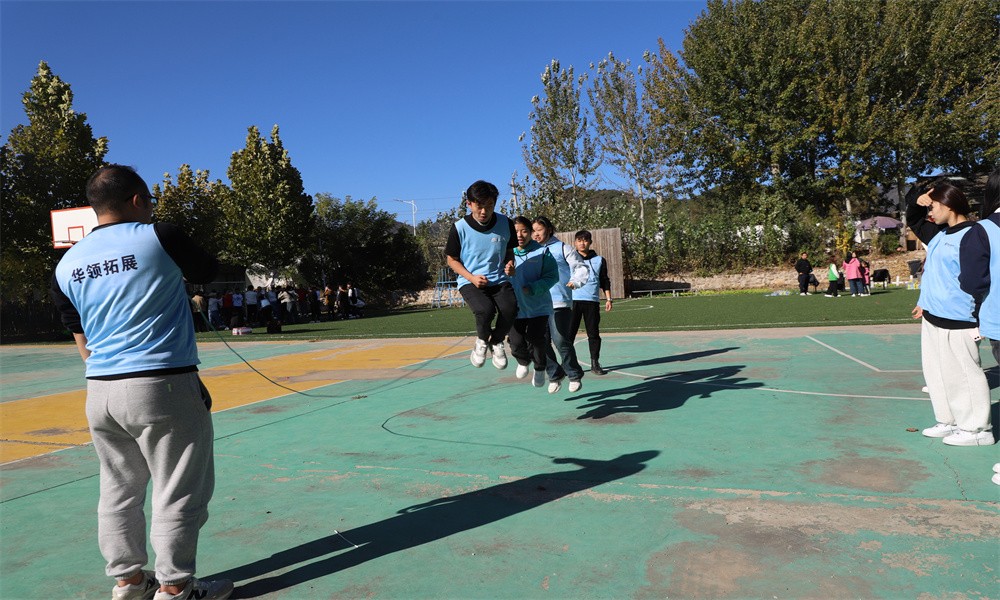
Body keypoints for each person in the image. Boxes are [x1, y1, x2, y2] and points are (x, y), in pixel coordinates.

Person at [49, 165, 233, 600]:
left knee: (118, 488)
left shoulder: (66, 263)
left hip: (100, 388)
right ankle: (175, 586)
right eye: (150, 201)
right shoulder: (159, 236)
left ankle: (129, 581)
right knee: (179, 488)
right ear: (137, 200)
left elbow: (77, 329)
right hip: (160, 382)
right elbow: (207, 269)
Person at [907, 180, 993, 447]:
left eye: (933, 206)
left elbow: (977, 280)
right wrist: (917, 199)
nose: (930, 212)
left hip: (959, 318)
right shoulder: (939, 234)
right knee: (937, 374)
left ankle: (978, 429)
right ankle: (949, 420)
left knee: (965, 374)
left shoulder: (974, 233)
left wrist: (976, 313)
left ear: (948, 204)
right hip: (933, 316)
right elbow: (913, 219)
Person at [444, 180, 517, 369]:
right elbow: (451, 260)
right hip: (470, 280)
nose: (484, 211)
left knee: (510, 309)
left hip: (499, 279)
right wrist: (471, 278)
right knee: (485, 310)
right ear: (469, 204)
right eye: (479, 206)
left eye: (489, 206)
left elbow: (509, 252)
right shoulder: (459, 228)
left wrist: (510, 264)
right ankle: (482, 341)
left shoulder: (506, 223)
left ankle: (496, 341)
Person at [531, 216, 589, 393]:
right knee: (539, 342)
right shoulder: (530, 250)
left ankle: (574, 373)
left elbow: (580, 267)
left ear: (549, 229)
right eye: (533, 231)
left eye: (539, 230)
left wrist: (576, 281)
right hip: (537, 304)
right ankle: (554, 374)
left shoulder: (563, 248)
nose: (535, 234)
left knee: (560, 339)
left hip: (559, 302)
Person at [508, 216, 559, 388]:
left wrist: (533, 288)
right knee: (515, 343)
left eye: (524, 231)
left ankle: (539, 368)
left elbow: (552, 276)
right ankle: (523, 361)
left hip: (539, 307)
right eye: (516, 231)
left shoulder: (542, 252)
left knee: (536, 339)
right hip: (515, 308)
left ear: (530, 232)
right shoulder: (506, 253)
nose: (520, 235)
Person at [570, 230, 613, 376]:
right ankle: (569, 364)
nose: (582, 243)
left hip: (591, 301)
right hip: (573, 301)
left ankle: (595, 363)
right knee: (569, 335)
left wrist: (608, 299)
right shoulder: (570, 259)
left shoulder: (599, 260)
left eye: (585, 240)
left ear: (590, 242)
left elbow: (604, 280)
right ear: (575, 242)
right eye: (579, 240)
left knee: (593, 334)